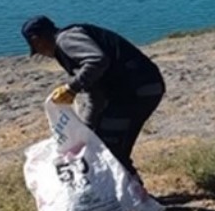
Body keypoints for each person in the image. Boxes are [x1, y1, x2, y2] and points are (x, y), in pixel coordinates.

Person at [21, 15, 166, 183]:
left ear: (37, 40)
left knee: (109, 147)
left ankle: (136, 198)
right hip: (137, 90)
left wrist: (72, 87)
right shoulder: (66, 46)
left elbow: (97, 60)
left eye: (36, 48)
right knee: (108, 145)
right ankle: (133, 198)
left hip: (136, 90)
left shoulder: (66, 40)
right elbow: (95, 93)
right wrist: (86, 129)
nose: (42, 54)